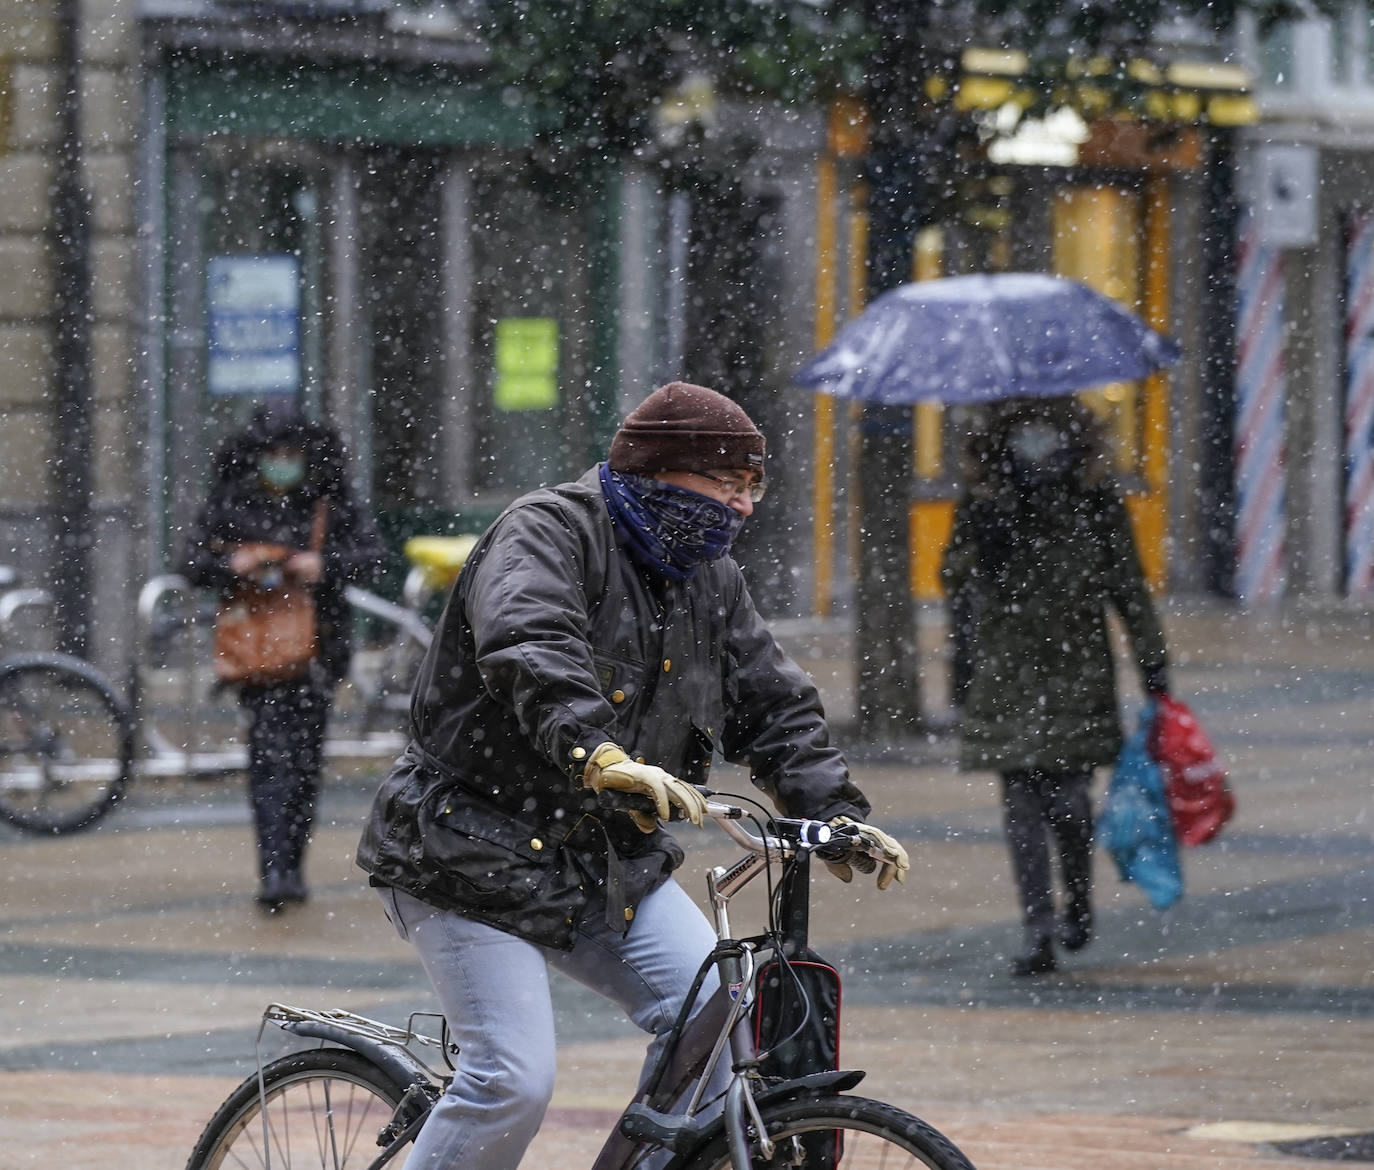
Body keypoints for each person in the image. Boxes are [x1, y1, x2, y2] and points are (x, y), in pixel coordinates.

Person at [356, 380, 908, 1170]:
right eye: (726, 483)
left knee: (717, 1032)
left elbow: (775, 703)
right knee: (511, 1081)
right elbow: (529, 640)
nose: (743, 506)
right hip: (464, 853)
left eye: (753, 487)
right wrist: (596, 752)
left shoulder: (710, 579)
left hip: (602, 863)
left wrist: (835, 813)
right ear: (659, 470)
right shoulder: (548, 531)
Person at [940, 397, 1169, 978]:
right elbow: (953, 578)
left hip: (1075, 668)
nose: (1035, 444)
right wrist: (983, 544)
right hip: (1006, 668)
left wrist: (1154, 666)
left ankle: (1079, 900)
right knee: (1021, 808)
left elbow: (1128, 584)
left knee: (1069, 805)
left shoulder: (1095, 501)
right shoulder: (987, 499)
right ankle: (1038, 929)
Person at [183, 398, 384, 911]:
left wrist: (324, 564)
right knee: (271, 757)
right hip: (255, 653)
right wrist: (237, 563)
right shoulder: (233, 500)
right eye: (271, 451)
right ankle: (274, 869)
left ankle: (289, 863)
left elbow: (371, 555)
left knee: (303, 761)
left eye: (289, 451)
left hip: (317, 650)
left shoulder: (328, 500)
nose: (281, 461)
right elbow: (190, 560)